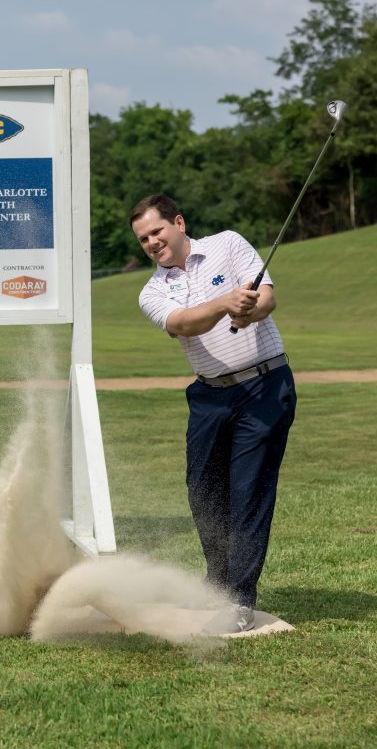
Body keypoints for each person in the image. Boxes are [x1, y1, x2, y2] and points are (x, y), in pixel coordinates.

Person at [129, 193, 296, 633]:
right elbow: (182, 323)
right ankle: (218, 583)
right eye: (143, 238)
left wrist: (250, 306)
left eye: (156, 231)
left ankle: (239, 599)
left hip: (263, 385)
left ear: (178, 223)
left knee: (248, 491)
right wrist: (225, 305)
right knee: (203, 490)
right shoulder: (153, 290)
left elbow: (266, 301)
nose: (151, 242)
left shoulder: (228, 243)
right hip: (209, 396)